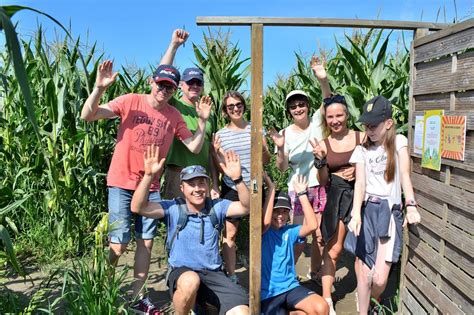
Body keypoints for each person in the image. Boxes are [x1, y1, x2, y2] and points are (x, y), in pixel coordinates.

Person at [80, 59, 212, 313]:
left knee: (146, 242)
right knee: (119, 244)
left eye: (169, 88)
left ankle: (138, 297)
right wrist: (99, 88)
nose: (163, 91)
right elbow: (89, 115)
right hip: (121, 181)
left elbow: (194, 146)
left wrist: (203, 121)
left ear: (175, 90)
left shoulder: (173, 115)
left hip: (150, 186)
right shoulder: (131, 101)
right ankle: (102, 283)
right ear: (152, 82)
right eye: (160, 84)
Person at [131, 144, 250, 315]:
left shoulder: (217, 207)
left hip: (213, 274)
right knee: (190, 281)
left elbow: (246, 207)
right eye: (191, 184)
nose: (197, 189)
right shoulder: (173, 208)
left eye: (201, 183)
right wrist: (149, 176)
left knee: (242, 312)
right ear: (182, 188)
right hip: (182, 274)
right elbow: (138, 207)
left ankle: (202, 307)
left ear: (208, 185)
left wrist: (237, 180)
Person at [346, 95, 421, 314]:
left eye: (373, 125)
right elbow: (359, 184)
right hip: (367, 210)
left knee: (378, 279)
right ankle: (362, 311)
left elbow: (405, 175)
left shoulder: (399, 142)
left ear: (388, 123)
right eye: (366, 125)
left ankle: (371, 302)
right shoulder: (362, 150)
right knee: (362, 270)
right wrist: (356, 215)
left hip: (389, 211)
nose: (369, 130)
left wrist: (411, 204)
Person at [309, 56, 365, 314]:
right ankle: (327, 299)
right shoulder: (324, 144)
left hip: (363, 196)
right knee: (334, 249)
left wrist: (361, 168)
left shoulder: (361, 137)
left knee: (365, 248)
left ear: (346, 115)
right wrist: (320, 162)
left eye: (339, 115)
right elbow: (323, 183)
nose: (335, 120)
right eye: (330, 117)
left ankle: (365, 293)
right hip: (338, 195)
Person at [269, 77, 329, 276]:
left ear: (308, 106)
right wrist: (279, 148)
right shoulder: (285, 133)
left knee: (319, 236)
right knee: (299, 236)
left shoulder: (317, 123)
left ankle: (314, 272)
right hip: (297, 189)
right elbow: (282, 167)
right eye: (293, 106)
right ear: (289, 111)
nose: (298, 109)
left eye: (301, 104)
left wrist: (322, 79)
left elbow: (327, 99)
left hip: (319, 185)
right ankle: (288, 274)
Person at [213, 90, 271, 283]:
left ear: (244, 106)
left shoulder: (256, 129)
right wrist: (221, 178)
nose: (235, 109)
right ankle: (231, 274)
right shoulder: (220, 135)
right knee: (230, 233)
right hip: (232, 187)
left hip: (254, 185)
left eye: (238, 105)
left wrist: (263, 149)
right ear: (225, 111)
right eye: (231, 106)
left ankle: (261, 270)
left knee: (261, 228)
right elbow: (218, 162)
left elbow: (267, 160)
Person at [159, 29, 220, 199]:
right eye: (190, 82)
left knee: (204, 224)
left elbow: (210, 153)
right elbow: (162, 74)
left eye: (198, 83)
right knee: (177, 222)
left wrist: (215, 183)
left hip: (202, 178)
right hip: (177, 175)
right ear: (180, 85)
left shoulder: (209, 114)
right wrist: (174, 46)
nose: (194, 86)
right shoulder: (172, 105)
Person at [260, 172, 328, 315]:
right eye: (276, 211)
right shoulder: (261, 232)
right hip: (269, 293)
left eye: (285, 212)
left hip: (291, 288)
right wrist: (271, 188)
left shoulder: (289, 231)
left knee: (322, 307)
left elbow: (312, 226)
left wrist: (302, 194)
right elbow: (265, 222)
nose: (280, 215)